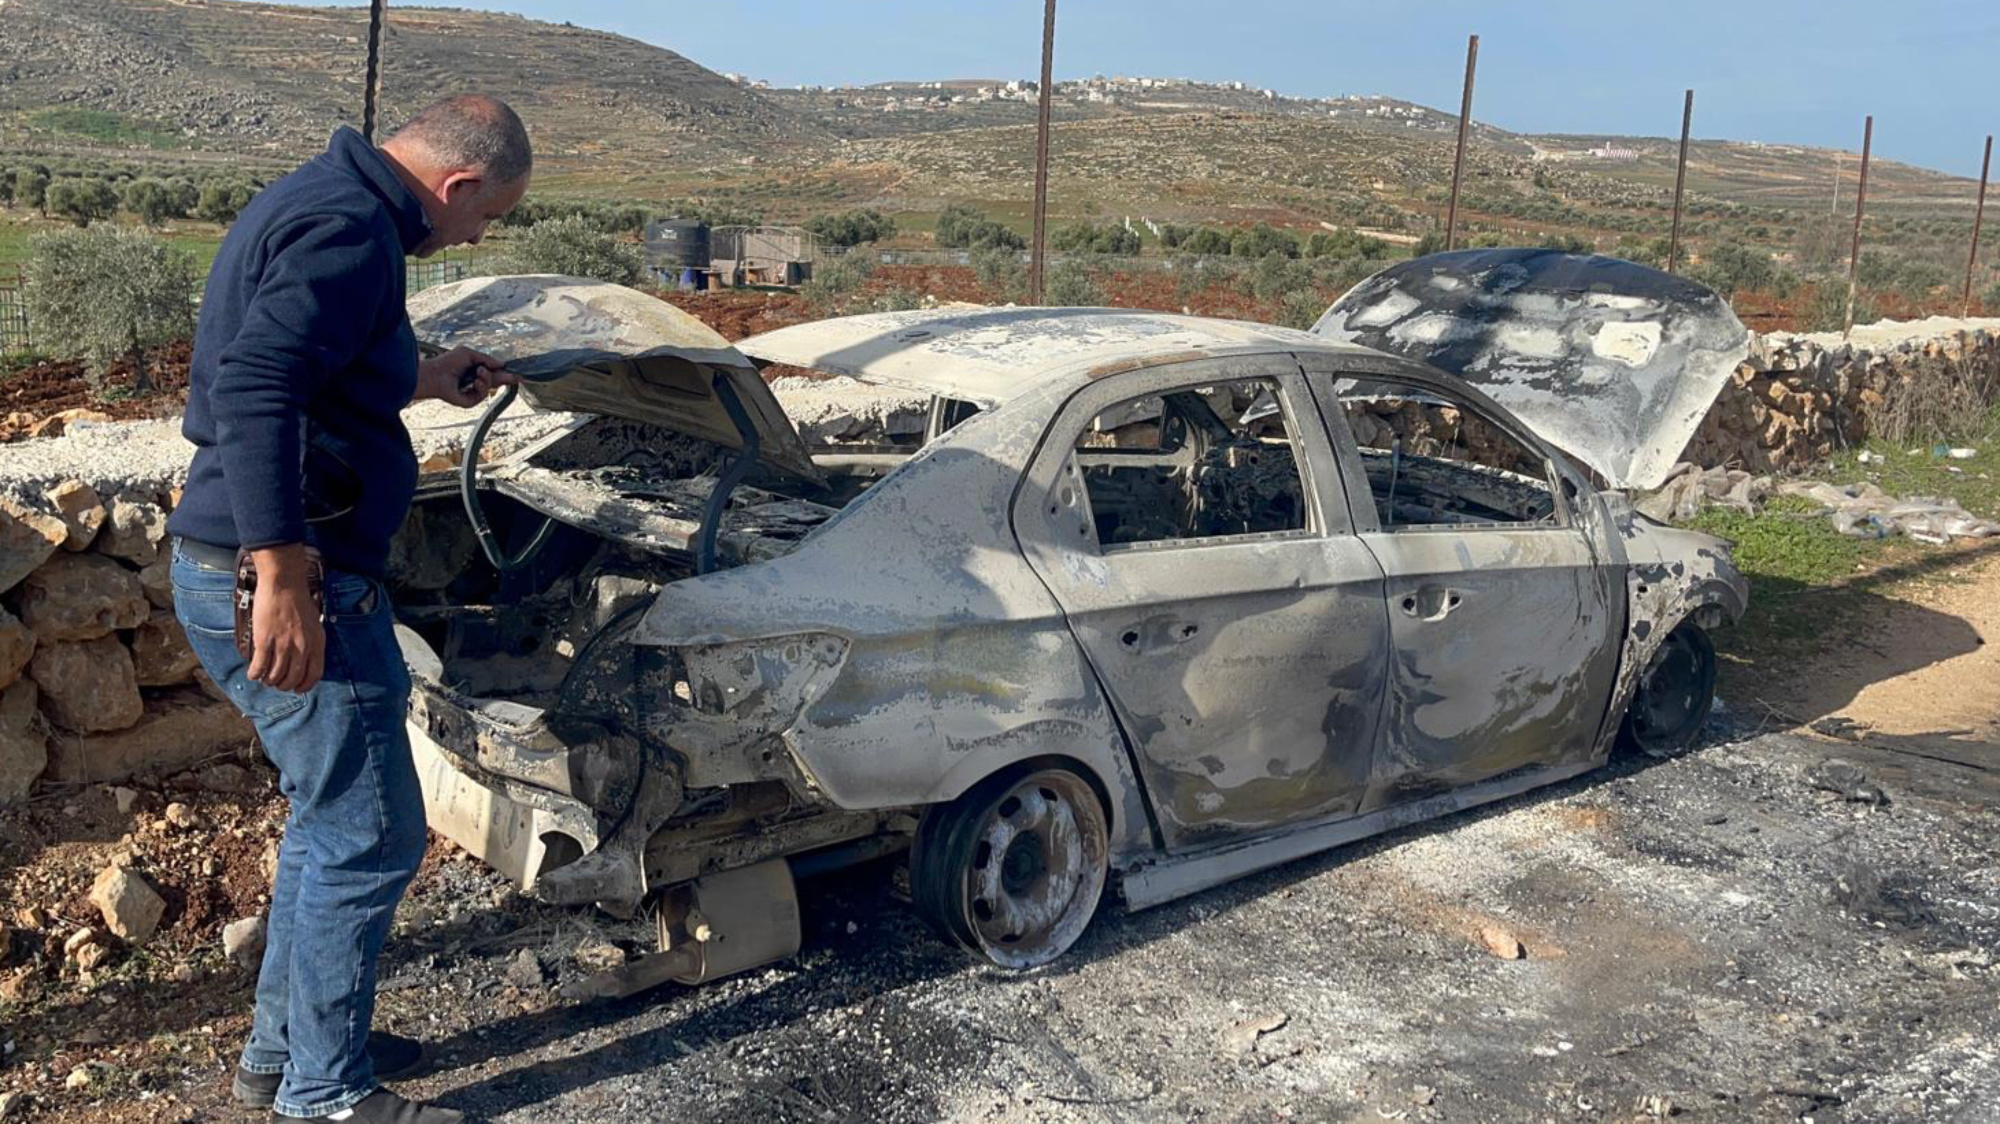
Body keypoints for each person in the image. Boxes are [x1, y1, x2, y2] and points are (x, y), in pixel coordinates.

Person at [166, 95, 532, 1124]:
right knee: (373, 834)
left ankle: (281, 1055)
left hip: (257, 562)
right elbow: (255, 386)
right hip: (291, 575)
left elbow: (315, 366)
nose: (476, 236)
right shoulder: (350, 229)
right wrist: (283, 573)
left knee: (333, 819)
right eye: (487, 215)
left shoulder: (326, 198)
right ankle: (325, 1092)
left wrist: (422, 375)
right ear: (458, 184)